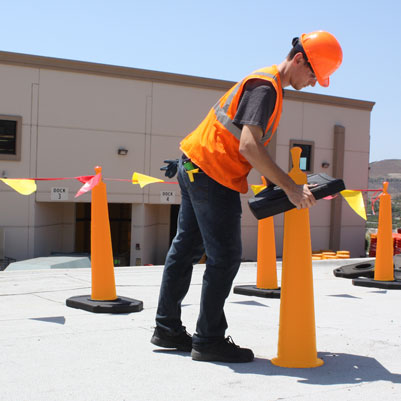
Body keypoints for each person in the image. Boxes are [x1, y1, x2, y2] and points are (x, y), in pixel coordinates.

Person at [151, 31, 343, 363]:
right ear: (299, 59)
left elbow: (246, 143)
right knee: (224, 258)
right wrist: (289, 187)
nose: (313, 82)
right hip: (212, 174)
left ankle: (167, 329)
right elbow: (249, 146)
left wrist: (274, 180)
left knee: (185, 250)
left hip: (194, 165)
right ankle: (208, 339)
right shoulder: (266, 88)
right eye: (313, 74)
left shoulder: (265, 84)